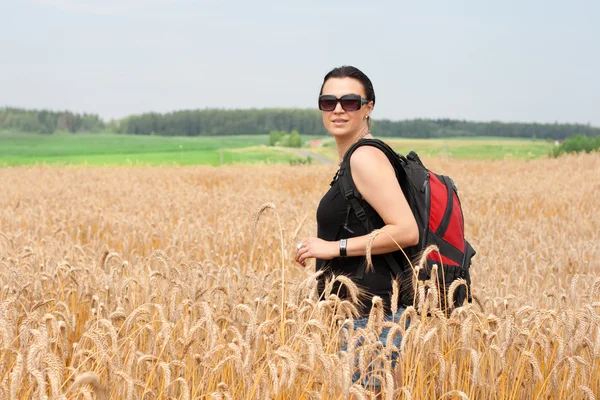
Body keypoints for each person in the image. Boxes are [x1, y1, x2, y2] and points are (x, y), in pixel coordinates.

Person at [294, 65, 419, 388]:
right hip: (357, 318)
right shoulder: (353, 159)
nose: (337, 109)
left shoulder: (364, 157)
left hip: (372, 319)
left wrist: (333, 248)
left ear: (368, 107)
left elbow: (406, 229)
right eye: (328, 101)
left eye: (350, 101)